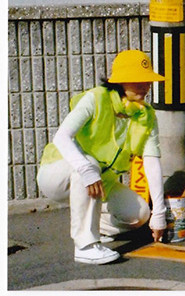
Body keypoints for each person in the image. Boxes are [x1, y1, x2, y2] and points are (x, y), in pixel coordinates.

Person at [37, 50, 167, 265]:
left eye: (148, 81)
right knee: (89, 164)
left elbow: (151, 161)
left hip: (99, 181)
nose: (146, 87)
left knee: (139, 214)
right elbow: (61, 136)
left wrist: (159, 214)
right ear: (121, 81)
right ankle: (85, 246)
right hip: (57, 175)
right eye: (139, 81)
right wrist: (85, 169)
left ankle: (94, 225)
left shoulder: (146, 115)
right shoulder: (96, 98)